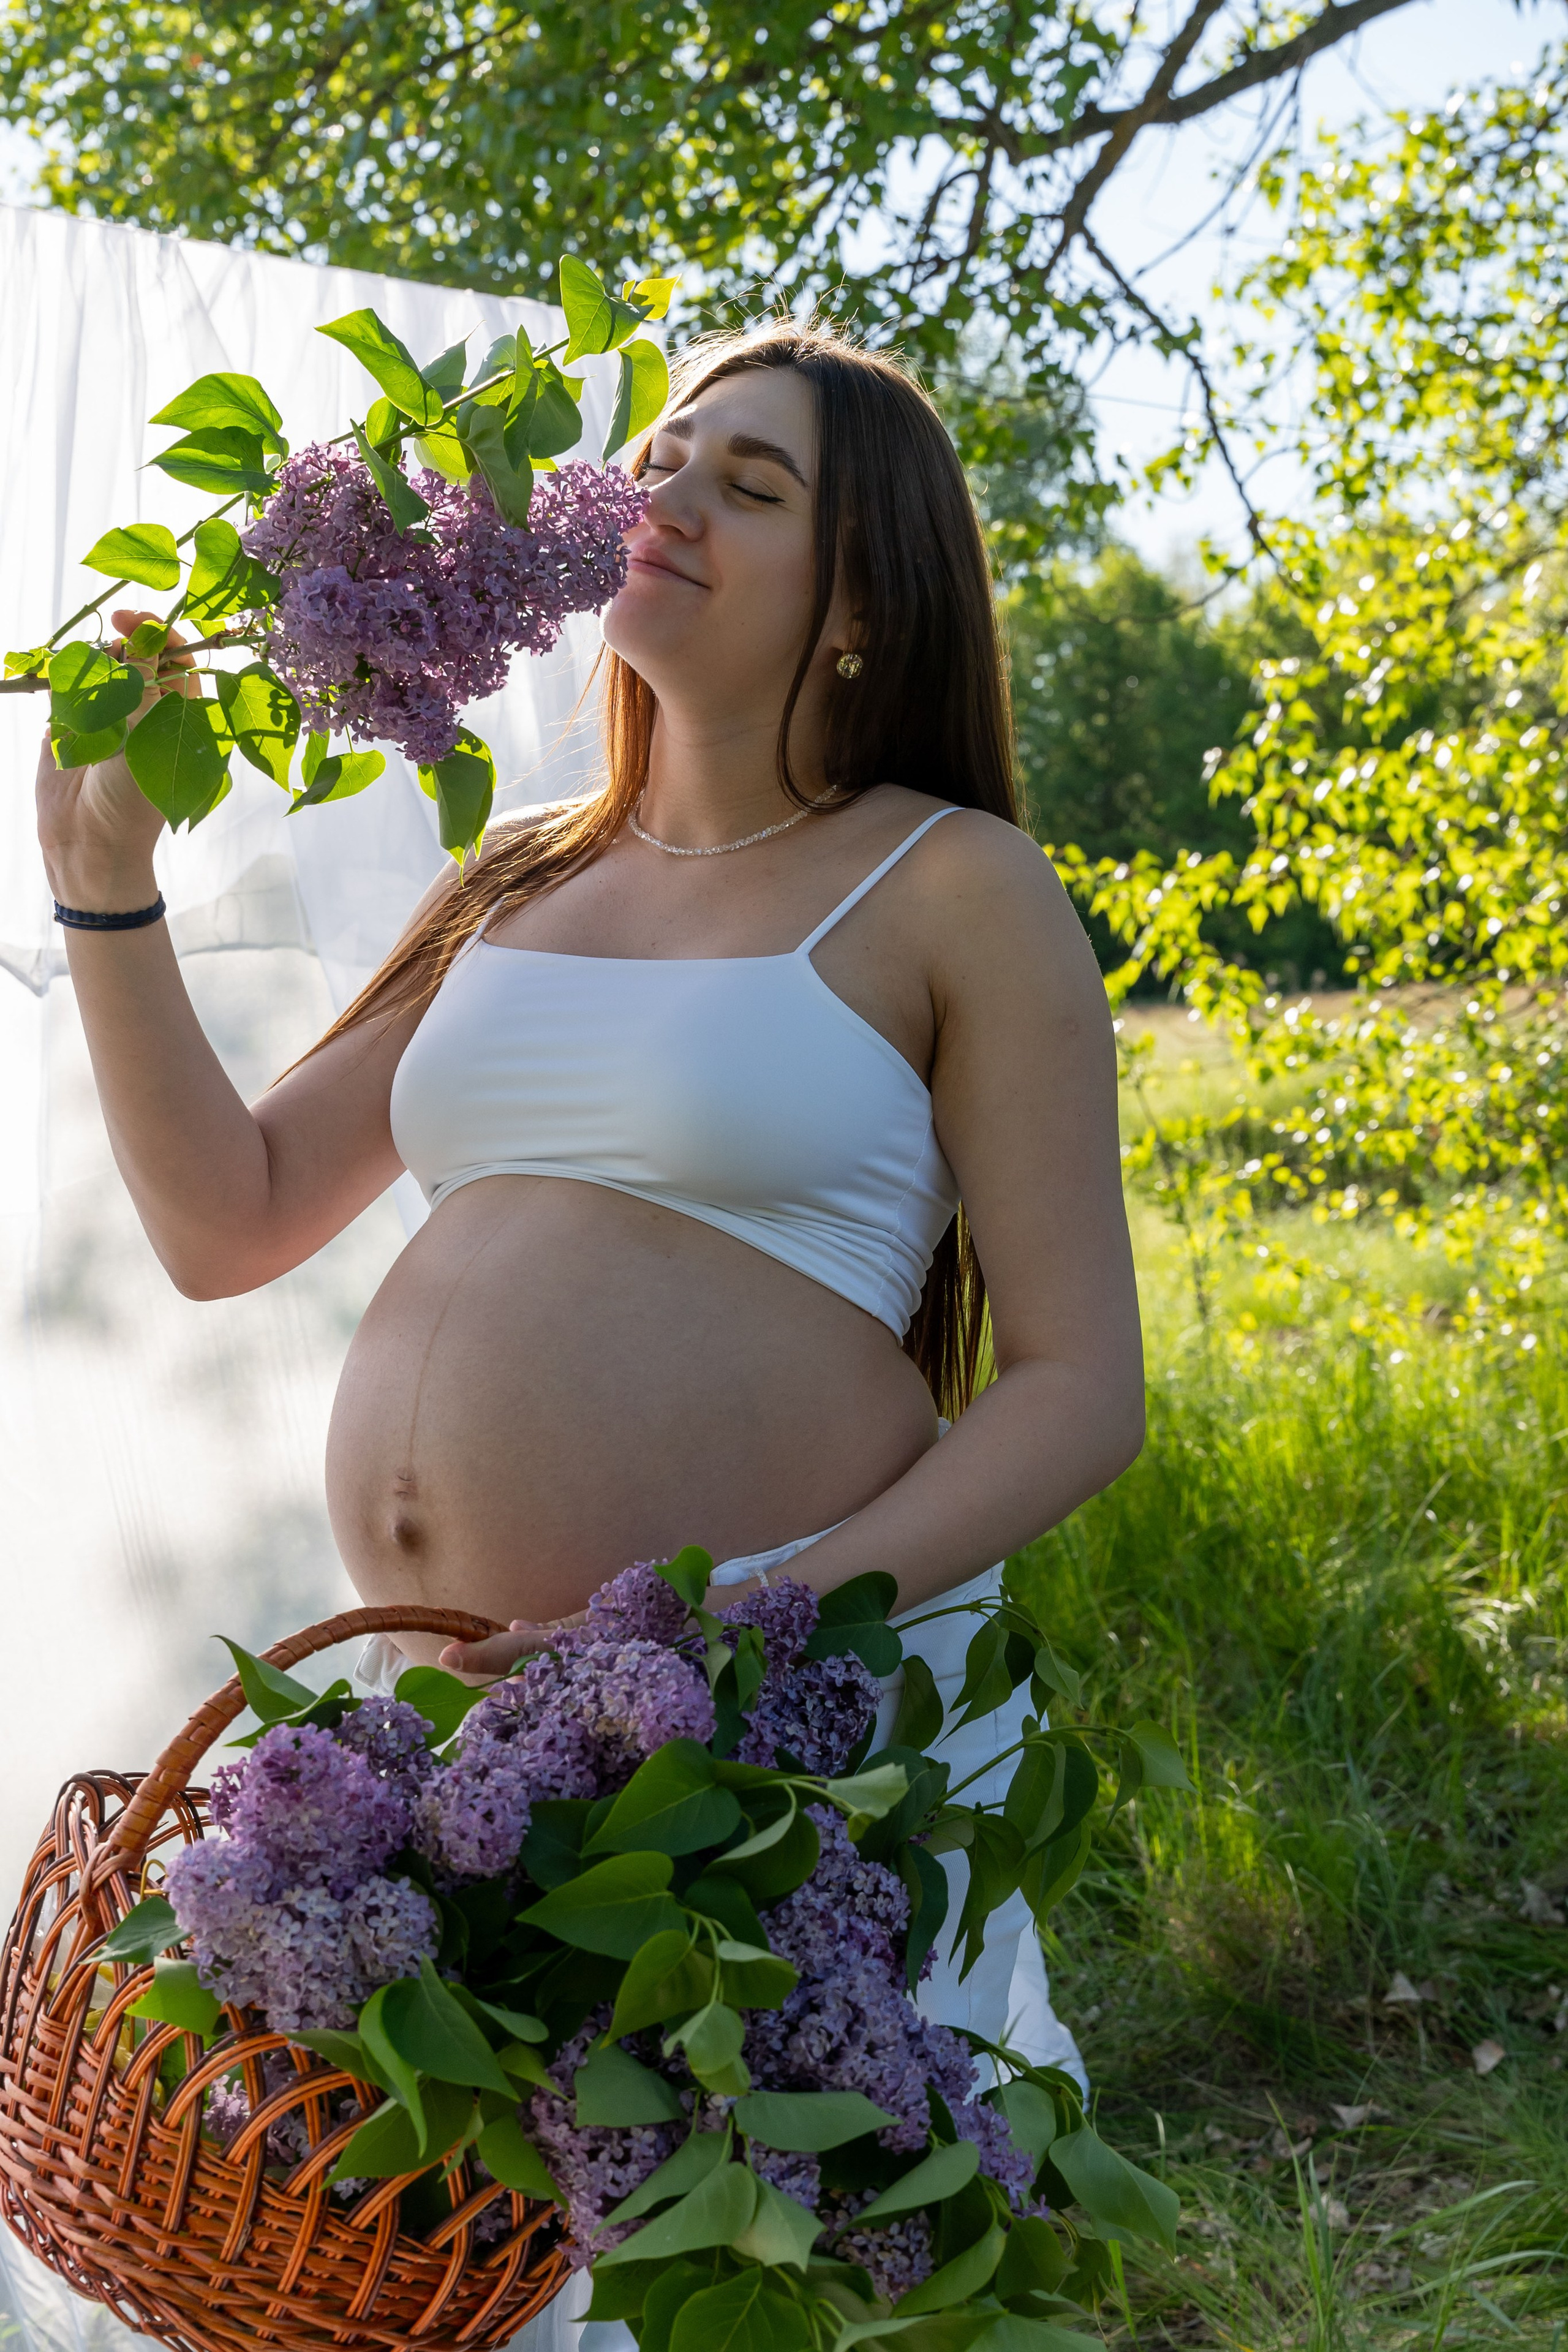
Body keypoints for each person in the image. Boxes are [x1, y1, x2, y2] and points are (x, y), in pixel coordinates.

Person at [36, 317, 1142, 2339]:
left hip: (765, 1750)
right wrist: (104, 889)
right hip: (474, 1753)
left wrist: (737, 1626)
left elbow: (1078, 1392)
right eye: (665, 456)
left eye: (756, 482)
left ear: (864, 600)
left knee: (759, 2278)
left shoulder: (950, 886)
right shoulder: (517, 878)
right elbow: (230, 1220)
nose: (672, 499)